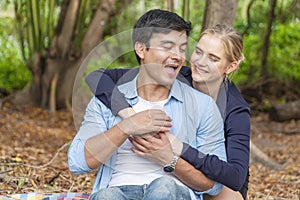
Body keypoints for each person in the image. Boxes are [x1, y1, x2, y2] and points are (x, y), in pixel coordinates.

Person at [68, 9, 226, 200]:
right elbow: (77, 162)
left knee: (163, 187)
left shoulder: (203, 106)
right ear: (141, 49)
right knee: (106, 197)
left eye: (182, 49)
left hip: (171, 192)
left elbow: (215, 184)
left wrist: (169, 159)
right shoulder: (106, 102)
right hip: (117, 191)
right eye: (168, 46)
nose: (177, 56)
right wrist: (127, 126)